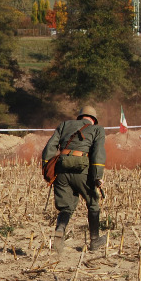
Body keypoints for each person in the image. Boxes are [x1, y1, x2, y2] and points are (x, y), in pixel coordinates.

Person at [42, 105, 107, 253]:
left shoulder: (65, 125)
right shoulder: (97, 129)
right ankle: (94, 240)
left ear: (80, 117)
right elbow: (98, 153)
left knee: (66, 207)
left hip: (61, 170)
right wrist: (98, 176)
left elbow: (50, 146)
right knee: (93, 203)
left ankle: (60, 230)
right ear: (93, 120)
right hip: (82, 171)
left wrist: (46, 167)